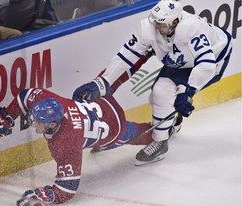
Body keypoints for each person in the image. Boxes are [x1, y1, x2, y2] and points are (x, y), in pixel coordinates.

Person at [72, 0, 233, 166]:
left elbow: (206, 64)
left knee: (162, 92)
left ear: (175, 22)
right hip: (183, 61)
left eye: (161, 24)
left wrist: (188, 92)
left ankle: (160, 142)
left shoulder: (191, 29)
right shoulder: (149, 28)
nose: (156, 27)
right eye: (155, 22)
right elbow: (126, 55)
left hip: (214, 59)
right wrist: (103, 81)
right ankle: (172, 124)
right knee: (158, 98)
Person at [0, 87, 154, 206]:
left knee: (125, 134)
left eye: (37, 122)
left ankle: (155, 135)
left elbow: (67, 189)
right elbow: (26, 96)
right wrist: (6, 117)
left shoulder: (66, 143)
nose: (33, 124)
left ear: (52, 124)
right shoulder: (45, 100)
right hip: (102, 101)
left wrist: (46, 196)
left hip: (113, 125)